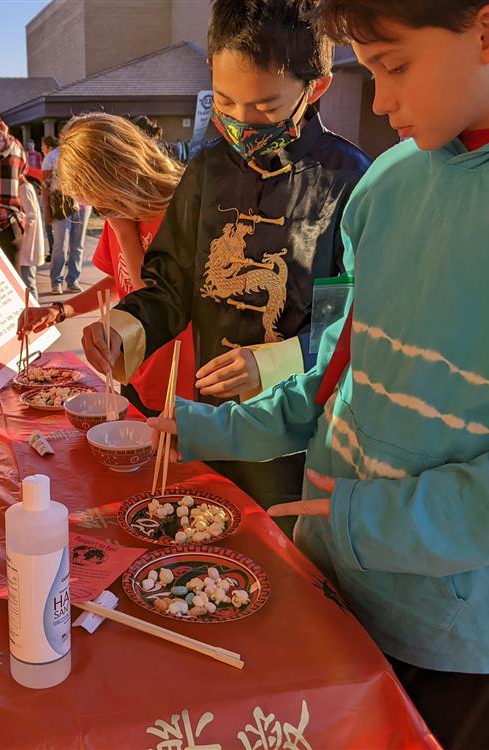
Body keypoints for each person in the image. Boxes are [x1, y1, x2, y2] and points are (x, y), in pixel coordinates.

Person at [151, 2, 489, 748]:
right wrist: (198, 427)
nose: (381, 101)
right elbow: (339, 371)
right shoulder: (391, 180)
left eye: (395, 67)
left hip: (461, 629)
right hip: (338, 581)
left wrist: (370, 521)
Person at [82, 0, 371, 526]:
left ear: (317, 87)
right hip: (207, 418)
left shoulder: (349, 182)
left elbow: (355, 329)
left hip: (295, 432)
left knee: (277, 557)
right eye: (224, 101)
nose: (241, 121)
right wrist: (122, 330)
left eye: (265, 106)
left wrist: (274, 362)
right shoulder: (207, 170)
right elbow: (170, 283)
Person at [21, 113, 196, 415]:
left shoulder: (179, 211)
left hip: (181, 388)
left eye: (101, 203)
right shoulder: (120, 210)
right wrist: (61, 310)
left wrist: (125, 232)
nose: (99, 211)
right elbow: (118, 279)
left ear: (124, 171)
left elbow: (155, 301)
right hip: (137, 373)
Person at [42, 135, 93, 295]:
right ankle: (56, 281)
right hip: (61, 204)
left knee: (77, 245)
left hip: (82, 204)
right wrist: (47, 212)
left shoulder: (84, 153)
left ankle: (73, 280)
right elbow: (45, 185)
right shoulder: (52, 156)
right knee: (60, 245)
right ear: (63, 136)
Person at [0, 92, 27, 270]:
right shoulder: (16, 146)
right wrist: (5, 137)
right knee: (12, 285)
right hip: (10, 226)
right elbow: (21, 174)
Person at [17, 169, 47, 297]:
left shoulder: (24, 189)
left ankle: (34, 310)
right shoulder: (25, 187)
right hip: (28, 243)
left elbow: (31, 216)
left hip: (28, 243)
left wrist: (17, 220)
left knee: (28, 282)